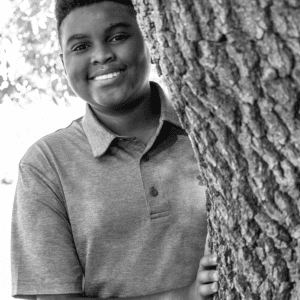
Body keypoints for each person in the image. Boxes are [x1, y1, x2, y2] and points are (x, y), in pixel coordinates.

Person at [11, 1, 219, 299]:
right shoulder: (45, 165)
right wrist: (182, 296)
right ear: (63, 63)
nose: (101, 55)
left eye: (118, 37)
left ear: (149, 39)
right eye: (81, 46)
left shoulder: (210, 134)